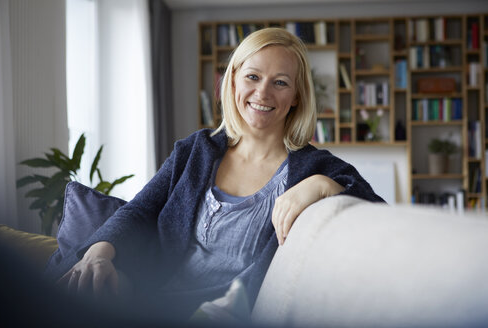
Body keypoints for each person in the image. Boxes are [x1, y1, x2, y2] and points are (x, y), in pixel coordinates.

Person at [56, 27, 385, 321]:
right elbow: (140, 210)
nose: (263, 93)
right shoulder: (195, 150)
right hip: (147, 295)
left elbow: (377, 215)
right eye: (253, 77)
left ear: (297, 96)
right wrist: (99, 251)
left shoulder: (313, 167)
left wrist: (323, 185)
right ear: (233, 79)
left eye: (280, 83)